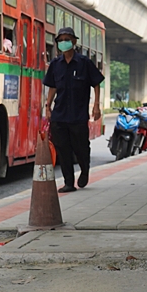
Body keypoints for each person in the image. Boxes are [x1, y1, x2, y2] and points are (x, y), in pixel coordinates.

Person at [43, 26, 104, 193]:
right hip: (59, 115)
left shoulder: (84, 63)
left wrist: (96, 105)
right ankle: (68, 182)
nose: (64, 43)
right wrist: (48, 106)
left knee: (81, 147)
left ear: (74, 41)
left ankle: (84, 172)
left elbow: (96, 83)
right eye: (60, 40)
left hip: (78, 115)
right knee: (63, 149)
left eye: (67, 39)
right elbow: (52, 87)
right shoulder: (56, 64)